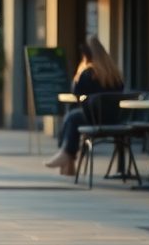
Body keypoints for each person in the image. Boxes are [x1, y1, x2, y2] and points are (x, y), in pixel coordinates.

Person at [45, 36, 125, 177]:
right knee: (73, 115)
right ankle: (67, 160)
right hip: (116, 120)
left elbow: (76, 94)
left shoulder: (89, 73)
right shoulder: (115, 74)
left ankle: (66, 155)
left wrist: (79, 72)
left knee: (72, 116)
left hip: (95, 119)